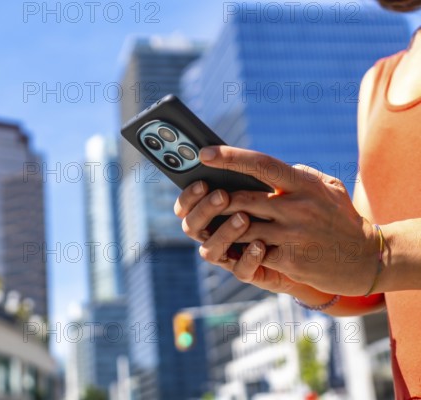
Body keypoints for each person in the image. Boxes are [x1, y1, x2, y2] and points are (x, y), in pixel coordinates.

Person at [174, 1, 421, 398]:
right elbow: (371, 286)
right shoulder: (378, 82)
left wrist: (380, 254)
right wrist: (295, 270)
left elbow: (378, 257)